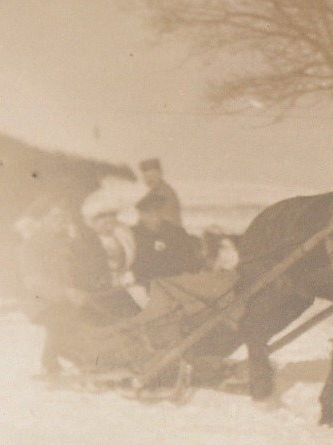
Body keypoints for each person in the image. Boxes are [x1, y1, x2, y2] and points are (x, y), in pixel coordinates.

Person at [18, 203, 139, 376]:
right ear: (43, 219)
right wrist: (66, 293)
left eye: (64, 217)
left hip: (70, 296)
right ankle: (55, 362)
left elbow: (79, 271)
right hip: (42, 300)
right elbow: (35, 281)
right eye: (56, 216)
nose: (61, 221)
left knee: (110, 309)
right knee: (65, 320)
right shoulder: (32, 245)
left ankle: (111, 354)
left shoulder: (66, 241)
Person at [131, 190, 206, 286]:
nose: (155, 215)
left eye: (158, 210)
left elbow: (190, 261)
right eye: (149, 212)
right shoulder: (133, 235)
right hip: (146, 286)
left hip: (176, 285)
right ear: (141, 214)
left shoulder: (176, 232)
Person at [137, 158, 183, 226]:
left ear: (160, 174)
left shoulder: (165, 193)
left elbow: (167, 222)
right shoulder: (153, 192)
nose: (149, 179)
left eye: (152, 175)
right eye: (146, 176)